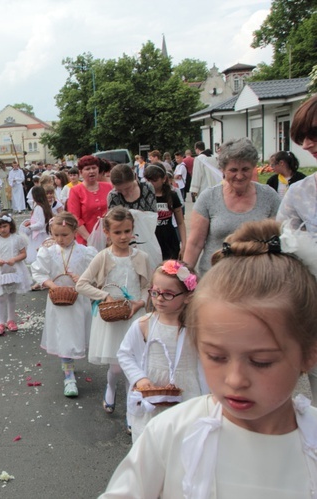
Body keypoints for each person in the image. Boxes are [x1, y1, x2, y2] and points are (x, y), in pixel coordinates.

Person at [101, 219, 317, 498]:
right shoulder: (170, 432)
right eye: (215, 356)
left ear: (309, 355)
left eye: (261, 361)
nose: (235, 380)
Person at [117, 260, 206, 442]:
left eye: (168, 294)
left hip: (186, 390)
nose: (158, 299)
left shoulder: (197, 326)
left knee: (183, 439)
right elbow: (125, 353)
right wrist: (139, 378)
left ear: (188, 296)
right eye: (155, 292)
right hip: (153, 391)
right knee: (151, 440)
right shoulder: (144, 323)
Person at [76, 207, 153, 415]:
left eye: (127, 231)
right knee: (117, 367)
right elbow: (81, 284)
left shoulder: (141, 257)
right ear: (107, 233)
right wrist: (104, 296)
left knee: (133, 368)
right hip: (110, 318)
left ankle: (131, 412)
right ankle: (110, 387)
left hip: (134, 316)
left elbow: (147, 286)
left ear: (133, 230)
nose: (123, 236)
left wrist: (140, 302)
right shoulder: (103, 257)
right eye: (117, 232)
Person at [183, 138, 281, 275]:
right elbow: (195, 243)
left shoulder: (269, 196)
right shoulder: (208, 198)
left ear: (253, 167)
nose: (239, 176)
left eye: (245, 169)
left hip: (258, 279)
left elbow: (279, 239)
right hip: (215, 279)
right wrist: (184, 278)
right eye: (233, 170)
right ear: (223, 170)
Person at [277, 93, 317, 402]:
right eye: (302, 137)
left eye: (313, 134)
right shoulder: (299, 194)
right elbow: (284, 254)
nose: (306, 144)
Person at [31, 213, 97, 397]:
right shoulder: (49, 252)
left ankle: (69, 365)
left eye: (65, 235)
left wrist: (82, 280)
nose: (60, 239)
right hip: (57, 300)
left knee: (75, 334)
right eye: (56, 235)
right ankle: (68, 375)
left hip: (77, 299)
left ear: (75, 232)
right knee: (64, 336)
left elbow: (95, 272)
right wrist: (52, 285)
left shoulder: (85, 252)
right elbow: (38, 271)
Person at [0, 213, 30, 336]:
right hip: (1, 271)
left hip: (14, 270)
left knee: (12, 296)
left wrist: (15, 259)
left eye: (4, 226)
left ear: (10, 225)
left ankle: (11, 320)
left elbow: (23, 254)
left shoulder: (17, 238)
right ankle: (1, 322)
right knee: (1, 296)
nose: (2, 229)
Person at [67, 155, 113, 245]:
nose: (91, 171)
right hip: (87, 241)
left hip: (109, 239)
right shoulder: (75, 191)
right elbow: (75, 218)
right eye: (87, 169)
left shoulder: (108, 187)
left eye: (94, 168)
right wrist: (89, 239)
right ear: (81, 172)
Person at [144, 165, 186, 260]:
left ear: (164, 179)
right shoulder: (144, 197)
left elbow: (180, 222)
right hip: (151, 241)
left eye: (154, 180)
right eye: (148, 180)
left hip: (169, 240)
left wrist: (184, 244)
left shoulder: (172, 195)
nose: (151, 183)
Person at [23, 186, 53, 265]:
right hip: (40, 232)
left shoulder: (39, 207)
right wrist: (30, 222)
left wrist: (30, 227)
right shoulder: (43, 206)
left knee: (39, 255)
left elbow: (41, 223)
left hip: (40, 234)